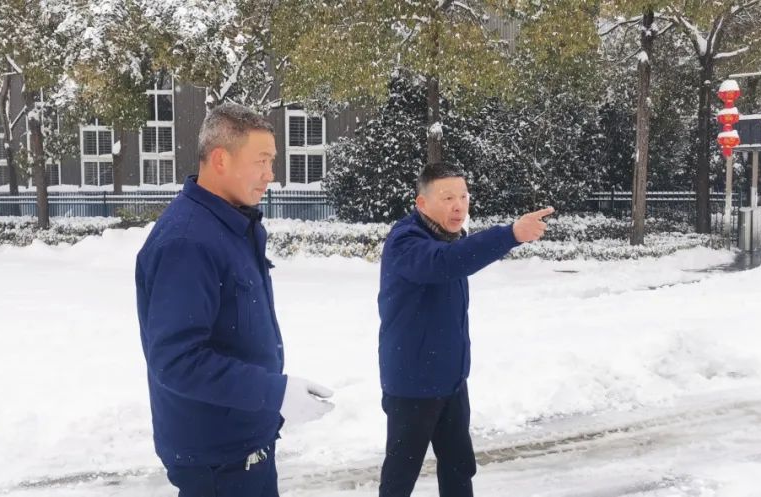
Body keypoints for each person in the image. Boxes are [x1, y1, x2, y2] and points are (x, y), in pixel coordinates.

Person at [135, 103, 334, 496]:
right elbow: (177, 361)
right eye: (261, 161)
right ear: (221, 160)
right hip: (218, 461)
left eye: (272, 161)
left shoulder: (231, 225)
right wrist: (274, 392)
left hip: (244, 442)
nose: (270, 175)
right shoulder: (187, 241)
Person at [376, 162, 554, 497]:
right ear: (421, 203)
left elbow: (456, 256)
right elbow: (445, 262)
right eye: (447, 198)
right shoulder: (406, 241)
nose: (459, 206)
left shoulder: (451, 237)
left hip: (452, 379)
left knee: (459, 467)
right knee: (401, 477)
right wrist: (511, 234)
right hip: (412, 382)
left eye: (463, 196)